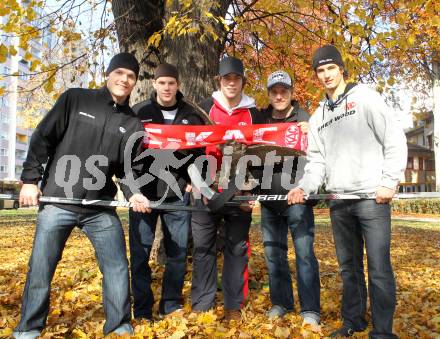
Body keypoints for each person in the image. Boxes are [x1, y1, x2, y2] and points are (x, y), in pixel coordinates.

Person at [14, 52, 150, 338]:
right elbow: (42, 138)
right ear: (109, 74)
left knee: (116, 266)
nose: (125, 80)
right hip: (58, 202)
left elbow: (126, 170)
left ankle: (119, 325)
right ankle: (29, 328)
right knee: (41, 266)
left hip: (99, 207)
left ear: (135, 82)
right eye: (120, 73)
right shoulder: (75, 99)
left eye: (131, 76)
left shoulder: (132, 123)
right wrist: (30, 180)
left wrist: (134, 194)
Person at [288, 45, 407, 338]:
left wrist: (390, 181)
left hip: (371, 199)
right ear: (316, 75)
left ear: (341, 69)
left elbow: (393, 138)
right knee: (348, 268)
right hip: (339, 202)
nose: (326, 75)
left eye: (331, 68)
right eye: (320, 70)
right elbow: (316, 162)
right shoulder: (318, 117)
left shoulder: (365, 98)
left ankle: (382, 331)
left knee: (378, 268)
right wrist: (304, 186)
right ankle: (353, 321)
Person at [129, 63, 207, 320]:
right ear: (154, 84)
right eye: (162, 82)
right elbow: (125, 151)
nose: (166, 87)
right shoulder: (140, 112)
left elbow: (199, 154)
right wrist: (132, 188)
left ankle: (170, 304)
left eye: (171, 83)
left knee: (177, 254)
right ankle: (142, 308)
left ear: (178, 85)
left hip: (177, 194)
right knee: (140, 254)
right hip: (144, 195)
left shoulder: (190, 115)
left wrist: (191, 179)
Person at [190, 56, 264, 321]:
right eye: (226, 78)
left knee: (236, 249)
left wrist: (253, 191)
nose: (231, 83)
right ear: (219, 81)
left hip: (239, 192)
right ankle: (202, 305)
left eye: (236, 78)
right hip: (205, 190)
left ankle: (233, 306)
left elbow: (263, 152)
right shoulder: (203, 108)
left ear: (242, 81)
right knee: (203, 249)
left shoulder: (254, 113)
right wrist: (191, 178)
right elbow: (190, 147)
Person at [257, 70, 320, 326]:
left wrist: (313, 131)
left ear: (292, 93)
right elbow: (247, 152)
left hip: (298, 199)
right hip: (269, 199)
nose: (279, 95)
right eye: (275, 91)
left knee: (304, 254)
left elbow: (320, 153)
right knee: (274, 255)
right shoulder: (260, 120)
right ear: (269, 94)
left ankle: (310, 310)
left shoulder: (306, 119)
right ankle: (281, 302)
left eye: (284, 91)